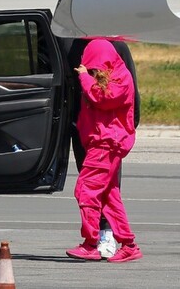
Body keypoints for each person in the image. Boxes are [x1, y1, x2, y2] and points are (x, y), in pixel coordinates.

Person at [66, 39, 142, 263]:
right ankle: (128, 244)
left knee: (85, 190)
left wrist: (84, 77)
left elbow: (103, 99)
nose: (91, 68)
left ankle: (90, 243)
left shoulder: (120, 78)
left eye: (93, 63)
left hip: (106, 144)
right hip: (100, 143)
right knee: (109, 197)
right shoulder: (108, 75)